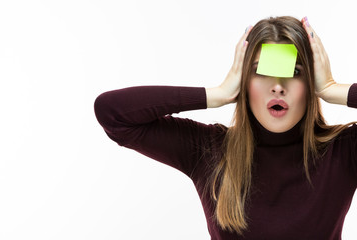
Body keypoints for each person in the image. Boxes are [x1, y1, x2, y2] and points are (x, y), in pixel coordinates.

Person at [94, 16, 357, 239]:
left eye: (295, 72)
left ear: (310, 83)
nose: (278, 86)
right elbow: (112, 113)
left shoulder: (344, 152)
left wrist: (333, 89)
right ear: (243, 81)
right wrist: (215, 94)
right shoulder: (210, 150)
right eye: (262, 71)